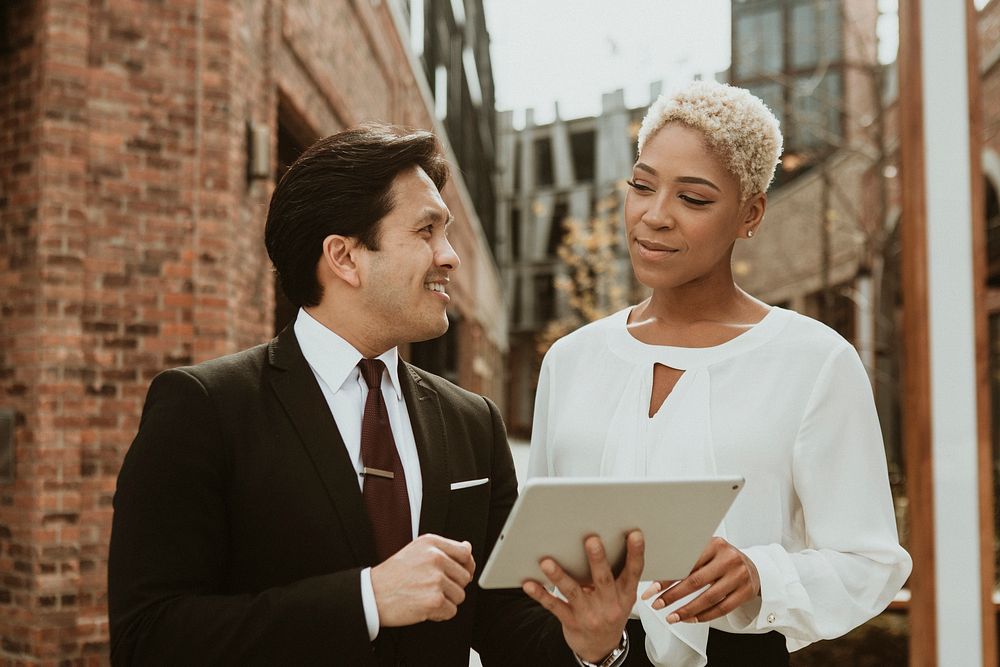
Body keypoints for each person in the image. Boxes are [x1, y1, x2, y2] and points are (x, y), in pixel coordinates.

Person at [107, 124, 643, 666]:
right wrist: (366, 599)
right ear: (344, 257)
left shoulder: (472, 420)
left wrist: (591, 645)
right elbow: (149, 638)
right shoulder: (204, 409)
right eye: (427, 230)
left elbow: (504, 622)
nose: (450, 255)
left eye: (447, 232)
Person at [526, 80, 912, 666]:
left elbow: (870, 561)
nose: (654, 217)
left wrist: (762, 573)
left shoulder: (814, 360)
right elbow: (540, 549)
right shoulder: (572, 360)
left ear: (750, 213)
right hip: (586, 656)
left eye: (694, 199)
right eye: (641, 186)